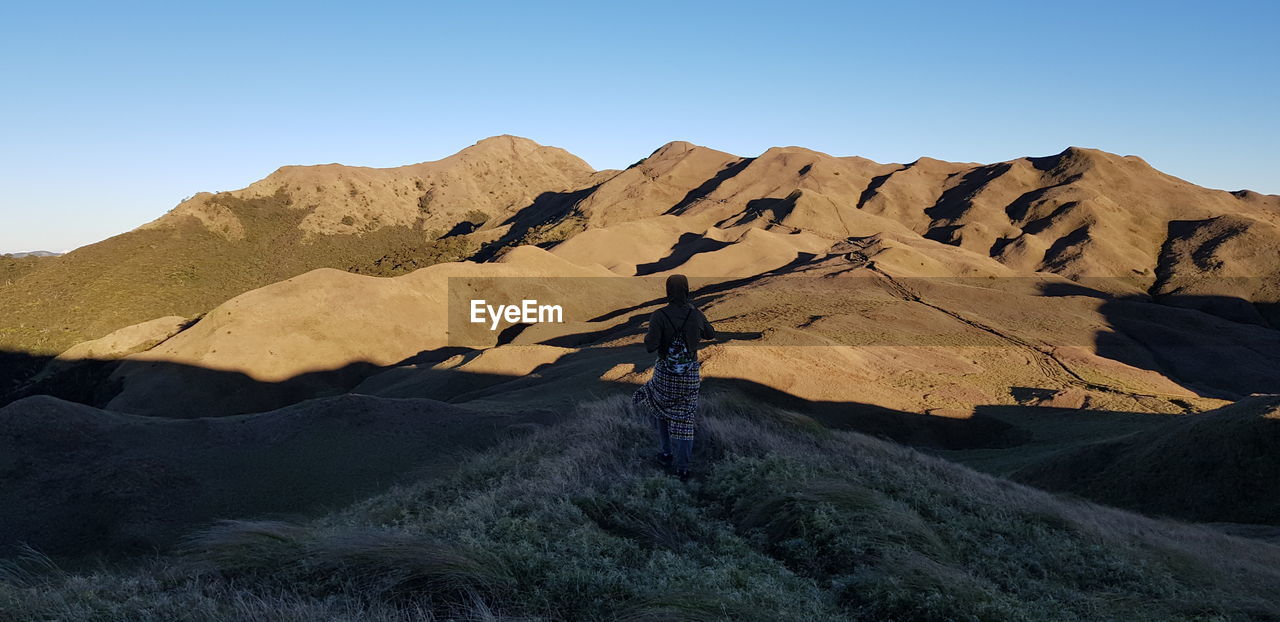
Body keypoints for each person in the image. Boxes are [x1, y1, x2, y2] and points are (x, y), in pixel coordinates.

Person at [632, 274, 715, 481]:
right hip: (689, 374)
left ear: (668, 291)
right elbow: (710, 334)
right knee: (685, 417)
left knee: (660, 408)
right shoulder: (695, 314)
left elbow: (651, 346)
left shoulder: (659, 315)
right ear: (687, 290)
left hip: (665, 374)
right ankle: (684, 468)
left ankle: (666, 453)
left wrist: (651, 336)